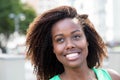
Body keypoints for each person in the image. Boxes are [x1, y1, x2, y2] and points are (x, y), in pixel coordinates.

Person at [26, 6, 120, 80]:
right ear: (53, 48)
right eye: (60, 40)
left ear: (87, 40)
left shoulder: (112, 77)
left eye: (76, 36)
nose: (70, 45)